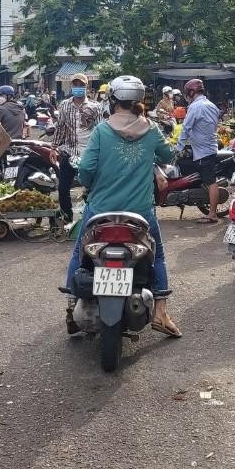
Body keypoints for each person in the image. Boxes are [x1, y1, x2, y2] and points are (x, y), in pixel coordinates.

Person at [64, 75, 181, 337]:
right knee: (157, 257)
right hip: (140, 211)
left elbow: (85, 168)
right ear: (139, 101)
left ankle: (71, 308)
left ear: (113, 99)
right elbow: (167, 155)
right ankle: (161, 313)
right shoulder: (151, 129)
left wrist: (89, 185)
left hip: (100, 210)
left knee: (79, 254)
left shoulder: (102, 131)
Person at [52, 72, 102, 223]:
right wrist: (54, 147)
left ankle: (91, 219)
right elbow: (60, 128)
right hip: (69, 153)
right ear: (71, 86)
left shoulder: (96, 107)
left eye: (82, 85)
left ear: (87, 87)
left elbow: (100, 130)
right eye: (75, 85)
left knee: (92, 189)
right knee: (63, 188)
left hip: (89, 155)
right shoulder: (64, 105)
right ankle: (67, 218)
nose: (78, 87)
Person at [175, 78, 221, 224]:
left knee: (211, 181)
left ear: (191, 92)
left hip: (203, 151)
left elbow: (186, 129)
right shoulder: (212, 105)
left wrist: (178, 148)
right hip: (210, 147)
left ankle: (212, 214)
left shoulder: (195, 107)